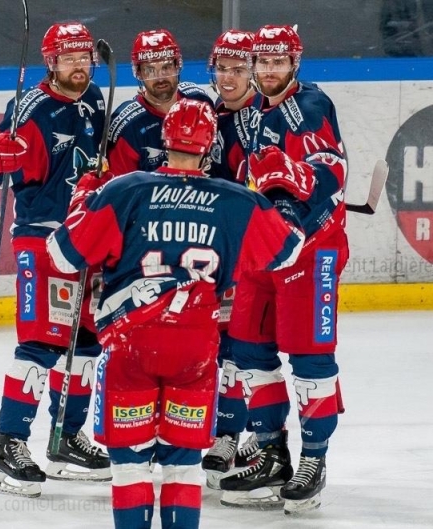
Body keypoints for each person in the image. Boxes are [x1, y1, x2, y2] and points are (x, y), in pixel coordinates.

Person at [46, 98, 305, 529]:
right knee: (183, 466)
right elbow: (289, 250)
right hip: (195, 351)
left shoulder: (125, 189)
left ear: (165, 139)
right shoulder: (236, 201)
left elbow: (63, 255)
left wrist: (82, 198)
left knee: (129, 466)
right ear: (210, 146)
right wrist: (278, 194)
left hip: (132, 346)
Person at [0, 21, 111, 498]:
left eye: (84, 56)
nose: (78, 66)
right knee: (41, 347)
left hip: (86, 241)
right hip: (42, 241)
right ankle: (8, 446)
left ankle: (66, 438)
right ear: (50, 62)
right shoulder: (28, 107)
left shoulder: (94, 101)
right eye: (68, 58)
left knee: (86, 343)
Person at [217, 25, 349, 514]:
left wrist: (294, 177)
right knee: (249, 348)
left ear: (295, 62)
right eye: (263, 63)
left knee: (311, 359)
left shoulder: (309, 106)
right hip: (262, 251)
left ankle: (313, 458)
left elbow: (332, 174)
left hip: (310, 253)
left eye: (279, 62)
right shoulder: (254, 110)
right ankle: (271, 450)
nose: (270, 71)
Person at [201, 29, 264, 487]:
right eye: (222, 68)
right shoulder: (207, 114)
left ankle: (256, 434)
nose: (229, 76)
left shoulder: (271, 116)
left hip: (259, 250)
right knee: (222, 343)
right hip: (219, 249)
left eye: (238, 68)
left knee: (252, 345)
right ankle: (225, 432)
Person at [107, 29, 214, 175]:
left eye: (166, 67)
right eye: (150, 70)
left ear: (177, 66)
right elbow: (121, 192)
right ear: (139, 73)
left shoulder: (200, 102)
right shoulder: (127, 126)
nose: (160, 78)